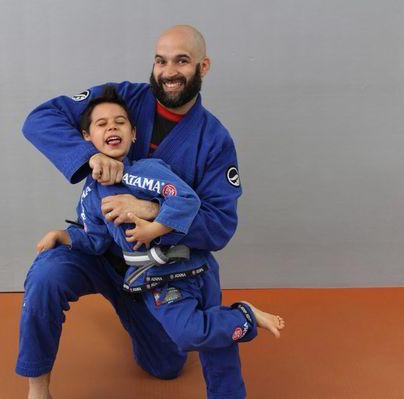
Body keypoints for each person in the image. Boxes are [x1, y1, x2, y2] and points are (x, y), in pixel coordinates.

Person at [17, 25, 284, 399]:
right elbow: (41, 118)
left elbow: (220, 227)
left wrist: (151, 211)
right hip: (100, 248)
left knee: (165, 366)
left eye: (182, 61)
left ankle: (156, 318)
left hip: (161, 269)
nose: (168, 71)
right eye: (161, 61)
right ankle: (38, 389)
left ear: (203, 67)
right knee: (47, 272)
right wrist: (90, 156)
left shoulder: (214, 141)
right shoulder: (124, 101)